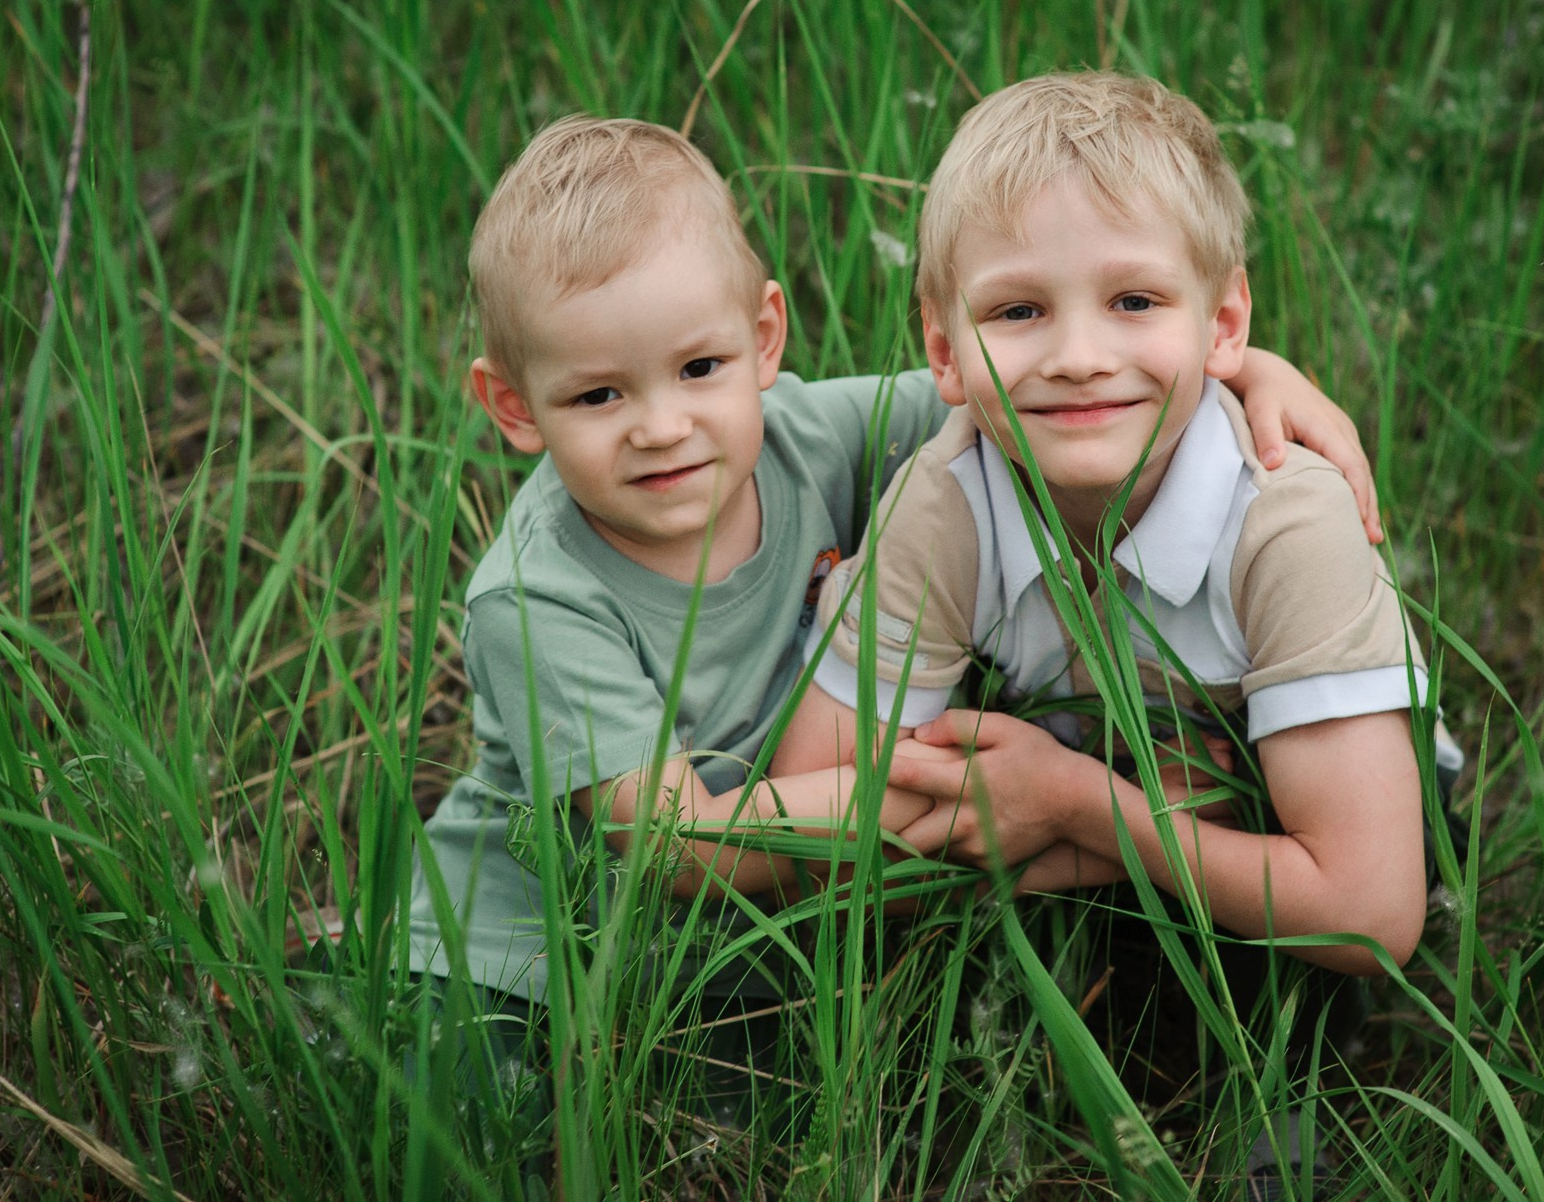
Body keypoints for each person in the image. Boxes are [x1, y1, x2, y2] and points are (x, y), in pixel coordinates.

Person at [404, 113, 1383, 1130]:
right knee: (490, 1135)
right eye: (598, 393)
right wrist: (953, 797)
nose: (662, 424)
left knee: (799, 1114)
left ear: (761, 338)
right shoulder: (538, 596)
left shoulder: (807, 437)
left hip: (760, 953)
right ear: (514, 406)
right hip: (522, 965)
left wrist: (1251, 373)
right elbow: (675, 847)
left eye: (698, 368)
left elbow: (1043, 387)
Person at [779, 72, 1463, 1161]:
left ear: (1222, 321)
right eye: (1017, 310)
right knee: (943, 1033)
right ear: (944, 350)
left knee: (1276, 1038)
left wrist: (1076, 811)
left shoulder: (1282, 521)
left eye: (1134, 301)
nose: (1078, 355)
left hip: (1311, 815)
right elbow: (821, 817)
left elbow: (1370, 910)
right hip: (1081, 775)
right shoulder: (942, 500)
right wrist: (1057, 811)